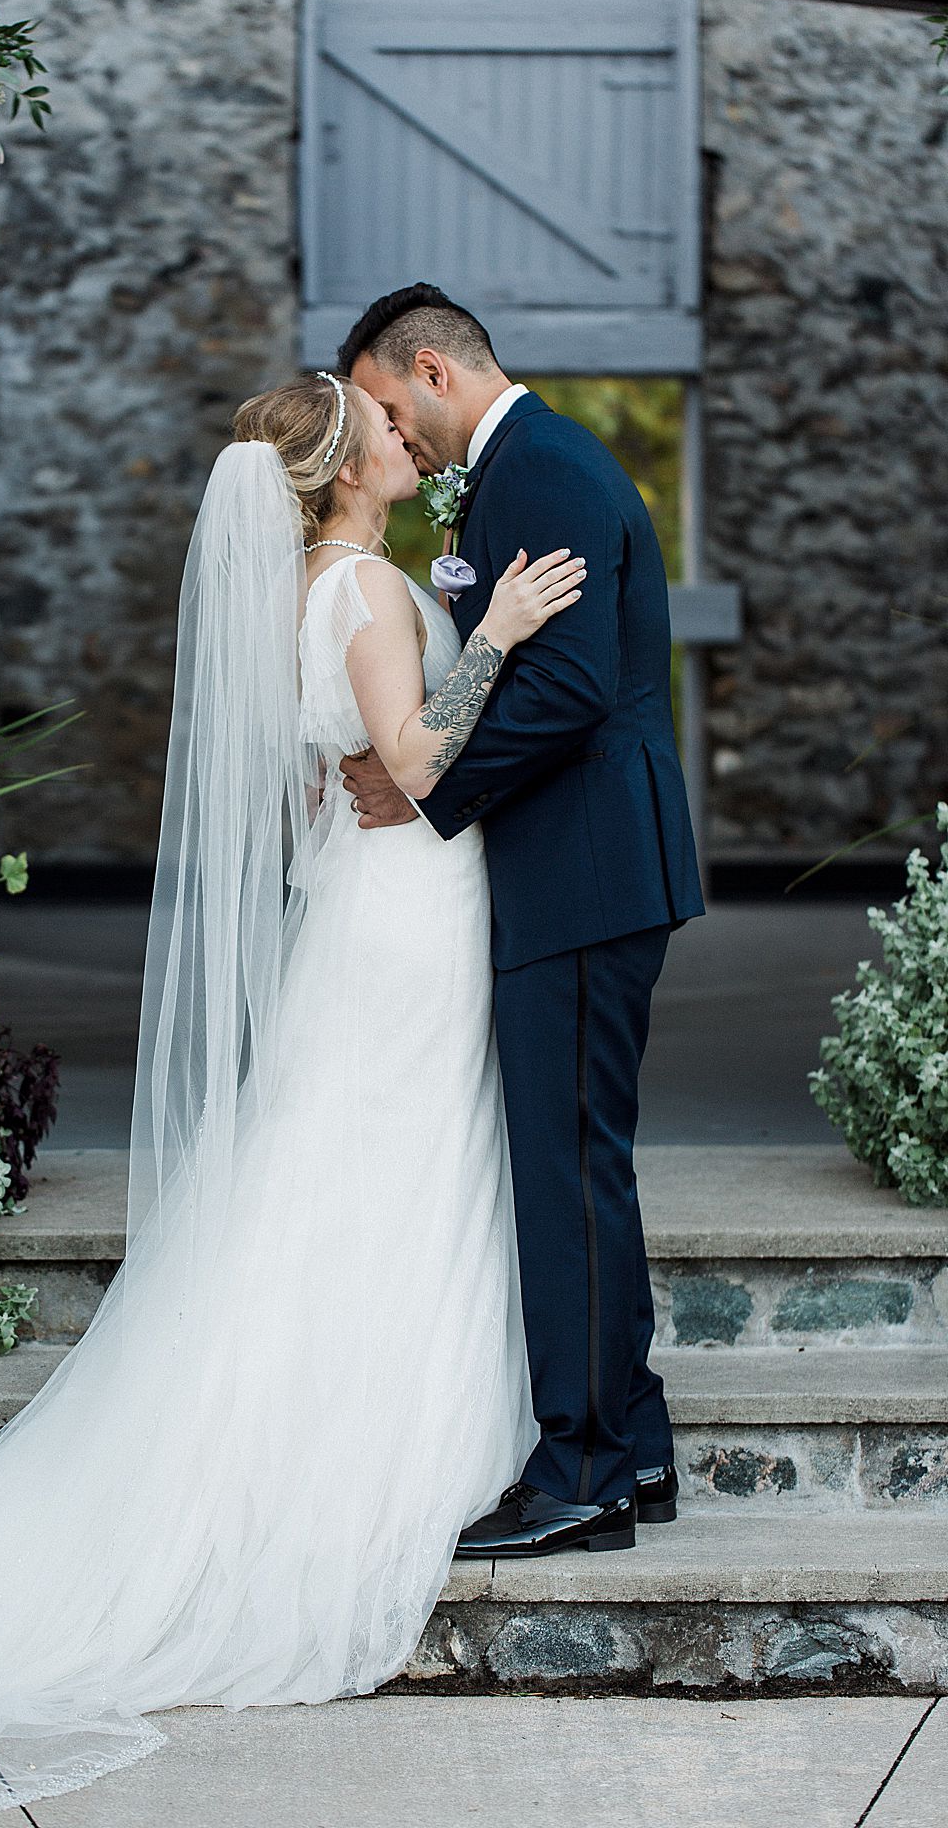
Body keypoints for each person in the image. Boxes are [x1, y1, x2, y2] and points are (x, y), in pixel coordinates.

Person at [0, 370, 586, 1826]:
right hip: (408, 918)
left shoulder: (303, 590)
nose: (409, 443)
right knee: (384, 1170)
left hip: (374, 907)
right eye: (387, 434)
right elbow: (411, 759)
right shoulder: (356, 594)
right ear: (345, 472)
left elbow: (316, 791)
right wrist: (509, 637)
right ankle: (348, 1459)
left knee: (342, 1172)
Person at [340, 283, 706, 1560]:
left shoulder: (538, 470)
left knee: (565, 1173)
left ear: (431, 370)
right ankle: (636, 1445)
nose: (390, 435)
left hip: (584, 869)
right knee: (577, 1162)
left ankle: (583, 1469)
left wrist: (424, 781)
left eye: (388, 407)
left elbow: (567, 692)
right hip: (583, 865)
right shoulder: (525, 468)